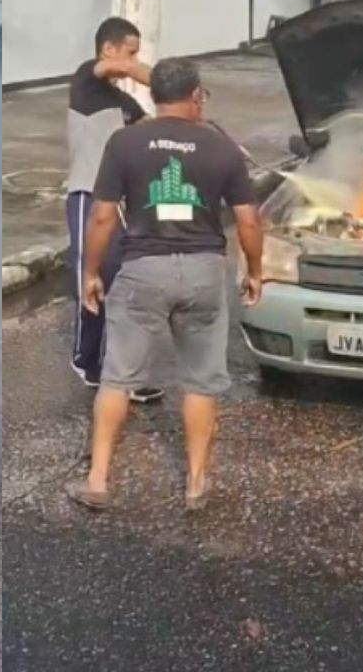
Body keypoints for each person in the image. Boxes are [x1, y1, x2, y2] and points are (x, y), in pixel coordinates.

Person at [67, 58, 264, 513]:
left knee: (117, 378)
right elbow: (249, 221)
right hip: (203, 273)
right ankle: (195, 484)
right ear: (196, 96)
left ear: (154, 96)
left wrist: (91, 272)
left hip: (141, 270)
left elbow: (101, 216)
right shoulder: (221, 148)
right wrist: (255, 271)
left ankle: (98, 480)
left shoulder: (124, 142)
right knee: (200, 383)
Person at [65, 17, 165, 403]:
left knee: (128, 286)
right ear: (108, 49)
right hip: (87, 197)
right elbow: (118, 69)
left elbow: (151, 127)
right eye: (131, 51)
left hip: (121, 205)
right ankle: (86, 360)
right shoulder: (85, 82)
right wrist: (161, 79)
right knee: (92, 283)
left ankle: (128, 375)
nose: (134, 60)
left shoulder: (122, 102)